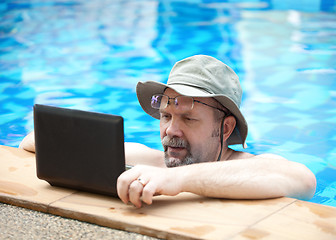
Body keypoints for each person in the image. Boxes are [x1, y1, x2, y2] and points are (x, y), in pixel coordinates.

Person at [20, 55, 316, 208]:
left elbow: (304, 179)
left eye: (188, 119)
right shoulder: (153, 162)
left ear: (225, 128)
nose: (171, 130)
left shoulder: (247, 167)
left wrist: (175, 179)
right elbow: (34, 142)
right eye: (165, 116)